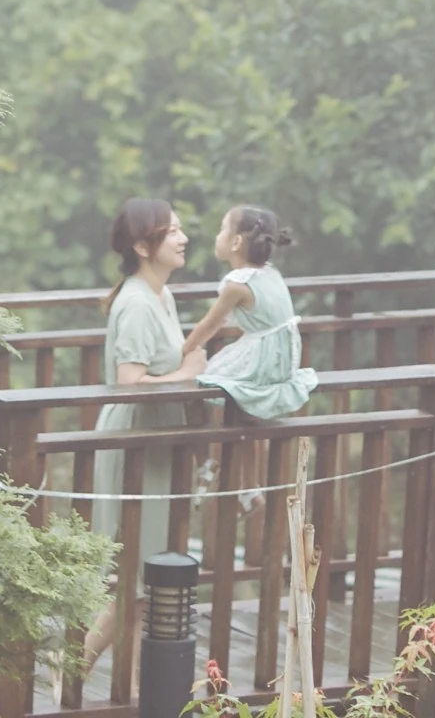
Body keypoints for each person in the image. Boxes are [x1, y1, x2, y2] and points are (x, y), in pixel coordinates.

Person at [82, 197, 204, 675]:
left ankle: (127, 686)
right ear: (141, 245)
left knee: (148, 578)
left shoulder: (161, 295)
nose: (183, 238)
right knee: (140, 575)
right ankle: (72, 663)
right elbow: (129, 383)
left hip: (158, 440)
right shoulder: (135, 303)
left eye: (180, 229)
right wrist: (189, 373)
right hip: (135, 439)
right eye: (170, 231)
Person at [180, 204, 318, 420]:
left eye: (222, 229)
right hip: (283, 360)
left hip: (264, 361)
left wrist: (185, 350)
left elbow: (210, 324)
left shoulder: (237, 284)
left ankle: (209, 437)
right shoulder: (270, 272)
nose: (217, 236)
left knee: (203, 378)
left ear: (236, 242)